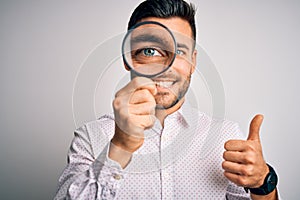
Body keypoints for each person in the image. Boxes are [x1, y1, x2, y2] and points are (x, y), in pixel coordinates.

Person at [55, 0, 279, 199]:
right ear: (127, 58)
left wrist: (262, 184)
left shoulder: (226, 136)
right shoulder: (91, 138)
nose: (166, 68)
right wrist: (119, 148)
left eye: (179, 51)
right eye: (150, 51)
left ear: (193, 61)